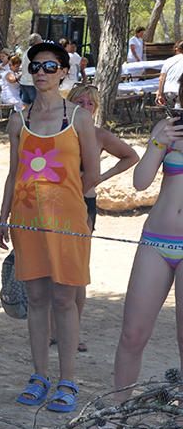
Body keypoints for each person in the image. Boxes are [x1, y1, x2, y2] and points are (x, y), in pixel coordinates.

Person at [0, 42, 99, 413]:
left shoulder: (79, 118)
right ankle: (39, 376)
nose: (41, 72)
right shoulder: (18, 119)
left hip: (68, 224)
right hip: (27, 223)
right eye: (35, 66)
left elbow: (93, 172)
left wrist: (66, 203)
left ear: (63, 72)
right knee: (36, 300)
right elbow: (13, 173)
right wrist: (4, 216)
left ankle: (67, 381)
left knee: (64, 300)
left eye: (50, 66)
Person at [110, 108, 183, 404]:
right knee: (132, 334)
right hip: (156, 240)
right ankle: (116, 412)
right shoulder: (167, 129)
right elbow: (140, 182)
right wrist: (158, 142)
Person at [64, 84, 139, 352]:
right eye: (79, 102)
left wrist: (99, 178)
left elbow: (131, 156)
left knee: (77, 270)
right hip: (54, 204)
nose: (85, 107)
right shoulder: (56, 132)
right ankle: (53, 328)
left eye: (90, 104)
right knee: (52, 268)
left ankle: (73, 331)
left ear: (96, 109)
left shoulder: (98, 136)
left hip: (85, 203)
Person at [156, 40, 183, 108]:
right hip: (180, 92)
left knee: (172, 114)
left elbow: (161, 78)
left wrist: (159, 94)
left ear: (176, 49)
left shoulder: (168, 61)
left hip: (168, 92)